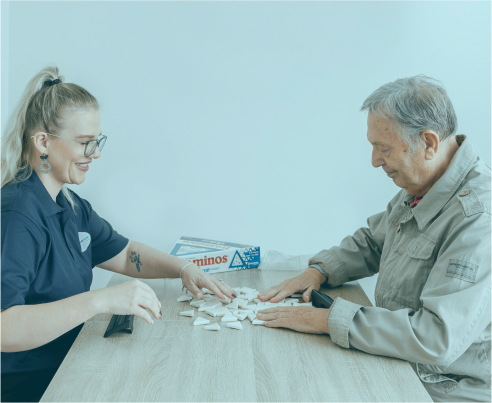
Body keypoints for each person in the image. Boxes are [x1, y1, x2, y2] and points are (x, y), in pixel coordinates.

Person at [0, 66, 237, 403]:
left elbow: (125, 254)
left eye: (97, 141)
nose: (95, 153)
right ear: (42, 142)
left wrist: (184, 269)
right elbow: (4, 327)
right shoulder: (16, 215)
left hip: (71, 365)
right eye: (84, 143)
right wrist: (99, 300)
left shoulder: (71, 206)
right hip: (33, 388)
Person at [256, 76, 491, 402]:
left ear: (429, 143)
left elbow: (435, 337)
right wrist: (319, 271)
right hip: (395, 360)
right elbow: (374, 241)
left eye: (384, 148)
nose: (375, 161)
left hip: (440, 389)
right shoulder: (424, 186)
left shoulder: (479, 220)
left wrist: (328, 319)